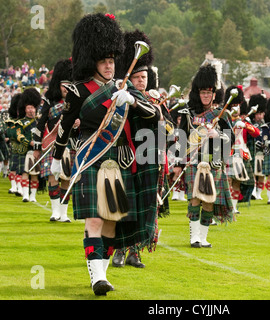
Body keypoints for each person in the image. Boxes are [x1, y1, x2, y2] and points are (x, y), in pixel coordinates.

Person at [50, 13, 160, 296]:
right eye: (104, 59)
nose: (110, 65)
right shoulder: (77, 91)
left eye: (113, 59)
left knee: (111, 219)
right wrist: (55, 158)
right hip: (91, 156)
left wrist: (132, 100)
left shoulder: (123, 88)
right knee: (95, 220)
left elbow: (154, 115)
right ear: (92, 60)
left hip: (120, 159)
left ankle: (102, 273)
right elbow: (64, 127)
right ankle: (97, 276)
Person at [111, 29, 161, 269]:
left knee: (142, 208)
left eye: (145, 77)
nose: (142, 81)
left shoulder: (151, 101)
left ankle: (135, 252)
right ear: (130, 78)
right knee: (125, 206)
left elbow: (164, 123)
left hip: (148, 158)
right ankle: (119, 250)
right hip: (126, 157)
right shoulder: (120, 96)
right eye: (138, 77)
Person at [175, 64, 235, 248]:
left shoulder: (221, 114)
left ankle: (203, 237)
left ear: (214, 94)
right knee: (195, 198)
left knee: (209, 200)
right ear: (197, 93)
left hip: (213, 162)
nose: (206, 96)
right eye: (203, 92)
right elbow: (181, 138)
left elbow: (231, 137)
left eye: (209, 92)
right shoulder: (188, 114)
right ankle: (194, 237)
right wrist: (178, 162)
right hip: (194, 160)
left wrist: (218, 136)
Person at [33, 58, 77, 222]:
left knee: (66, 179)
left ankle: (64, 214)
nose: (66, 89)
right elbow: (40, 123)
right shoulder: (49, 101)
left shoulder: (76, 102)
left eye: (69, 86)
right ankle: (55, 211)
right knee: (53, 177)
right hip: (52, 146)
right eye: (64, 85)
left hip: (71, 145)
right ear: (58, 85)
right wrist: (37, 146)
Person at [15, 88, 41, 202]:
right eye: (29, 108)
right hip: (25, 151)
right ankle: (25, 195)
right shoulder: (21, 122)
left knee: (35, 174)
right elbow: (19, 136)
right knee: (25, 173)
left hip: (36, 151)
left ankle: (33, 196)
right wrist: (28, 142)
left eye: (33, 108)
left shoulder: (39, 122)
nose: (31, 110)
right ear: (25, 109)